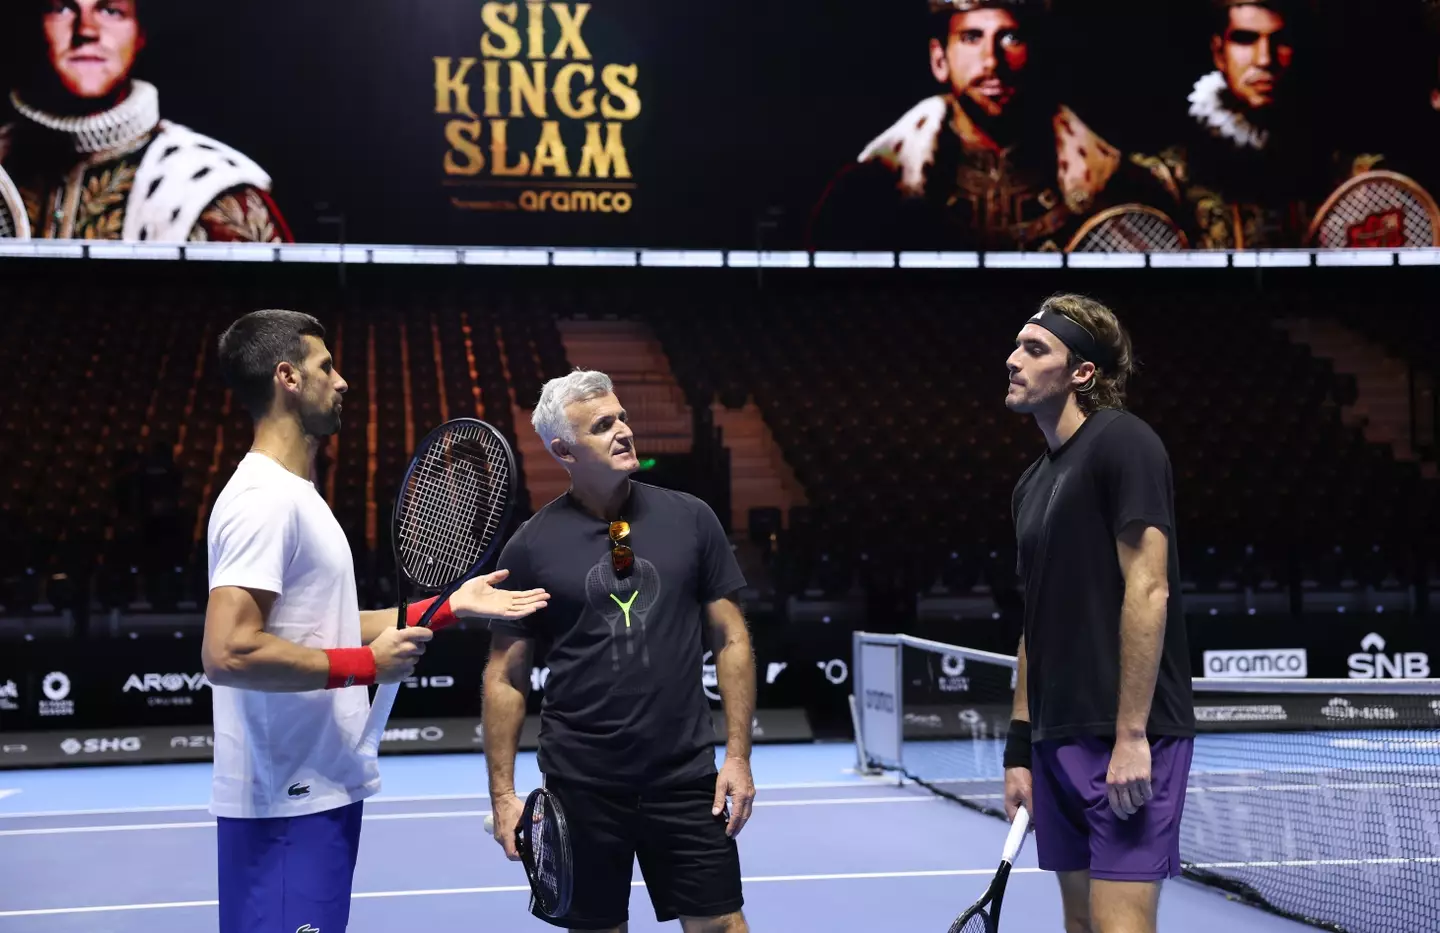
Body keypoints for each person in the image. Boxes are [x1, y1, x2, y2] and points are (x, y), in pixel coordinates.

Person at [202, 309, 549, 933]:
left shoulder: (296, 495)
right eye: (325, 367)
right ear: (286, 377)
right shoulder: (262, 501)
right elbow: (228, 652)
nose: (342, 382)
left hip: (316, 785)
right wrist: (366, 666)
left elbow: (324, 623)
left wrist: (447, 608)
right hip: (289, 797)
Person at [483, 369, 757, 933]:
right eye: (602, 425)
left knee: (723, 926)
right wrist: (504, 796)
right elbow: (504, 678)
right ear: (563, 449)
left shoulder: (692, 519)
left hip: (685, 781)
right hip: (581, 787)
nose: (624, 431)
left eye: (622, 416)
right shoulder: (531, 547)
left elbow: (732, 639)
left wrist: (737, 758)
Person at [1001, 294, 1195, 933]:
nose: (1013, 360)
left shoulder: (1125, 443)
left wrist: (1132, 736)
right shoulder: (1030, 484)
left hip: (1123, 735)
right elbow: (1034, 622)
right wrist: (1020, 748)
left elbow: (1149, 588)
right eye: (1018, 345)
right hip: (1057, 738)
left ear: (1082, 372)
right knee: (1081, 927)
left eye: (1035, 349)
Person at [806, 0, 1176, 252]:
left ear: (1037, 54)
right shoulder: (871, 187)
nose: (991, 60)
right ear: (939, 59)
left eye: (1011, 37)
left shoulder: (1116, 184)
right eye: (971, 38)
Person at [0, 0, 289, 242]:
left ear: (140, 33)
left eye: (111, 10)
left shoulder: (212, 190)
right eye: (62, 8)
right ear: (33, 26)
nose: (86, 30)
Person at [1134, 0, 1393, 249]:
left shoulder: (1354, 176)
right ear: (1218, 52)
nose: (1265, 59)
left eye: (1280, 41)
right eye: (1245, 39)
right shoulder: (1166, 179)